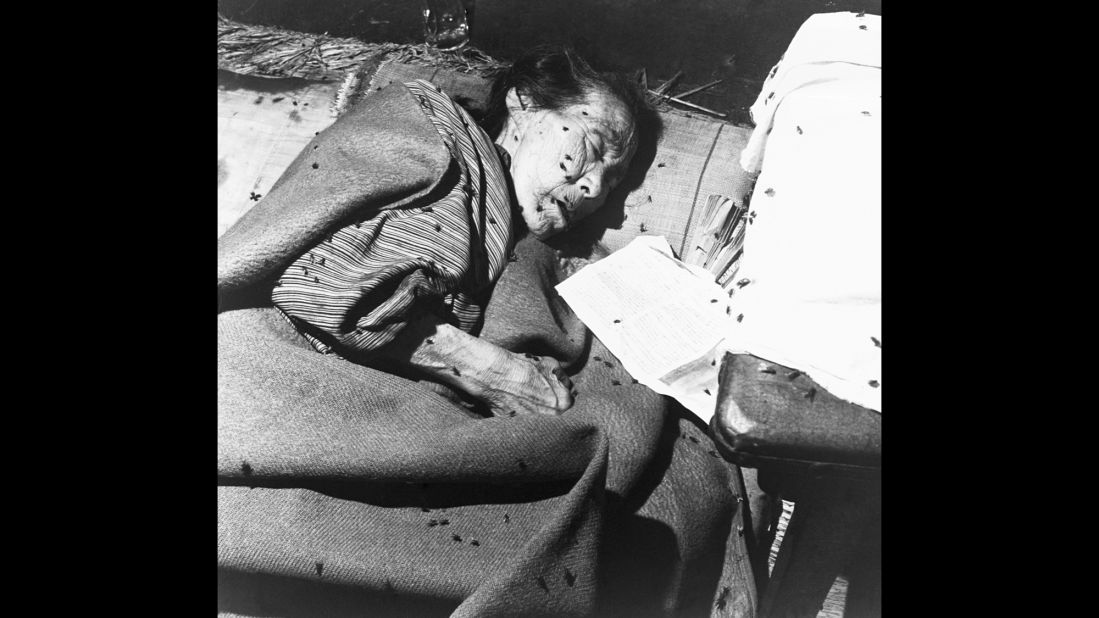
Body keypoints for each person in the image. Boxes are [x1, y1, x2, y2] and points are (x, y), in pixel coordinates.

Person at [218, 47, 757, 616]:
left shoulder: (517, 233)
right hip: (261, 384)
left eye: (612, 181)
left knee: (633, 499)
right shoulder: (434, 133)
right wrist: (484, 366)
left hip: (361, 415)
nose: (597, 191)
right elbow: (321, 283)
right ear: (523, 106)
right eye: (590, 151)